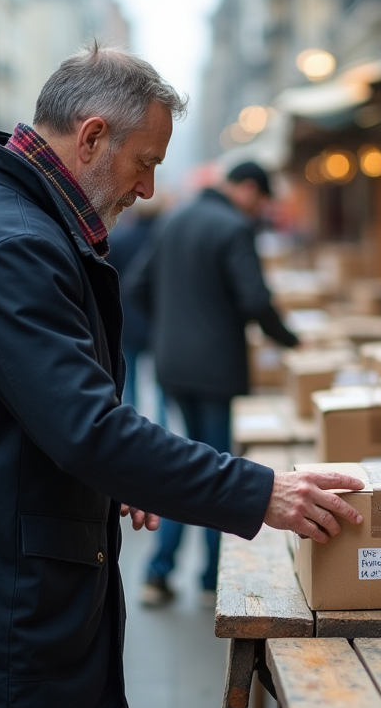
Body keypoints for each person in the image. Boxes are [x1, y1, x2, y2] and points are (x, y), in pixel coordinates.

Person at [0, 44, 362, 708]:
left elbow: (34, 412)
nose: (150, 188)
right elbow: (90, 429)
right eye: (143, 161)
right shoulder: (14, 244)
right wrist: (265, 493)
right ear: (91, 137)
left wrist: (114, 475)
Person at [128, 161, 299, 607]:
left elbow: (137, 286)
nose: (259, 209)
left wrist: (172, 326)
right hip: (217, 369)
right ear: (246, 189)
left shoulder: (173, 219)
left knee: (180, 463)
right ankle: (209, 579)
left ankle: (159, 571)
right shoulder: (234, 228)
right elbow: (255, 299)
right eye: (260, 200)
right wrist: (291, 341)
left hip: (171, 366)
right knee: (218, 469)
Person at [104, 199, 163, 418]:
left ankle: (132, 418)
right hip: (156, 317)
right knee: (159, 381)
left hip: (127, 318)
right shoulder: (162, 241)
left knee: (129, 377)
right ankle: (162, 422)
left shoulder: (119, 240)